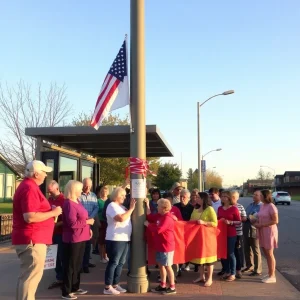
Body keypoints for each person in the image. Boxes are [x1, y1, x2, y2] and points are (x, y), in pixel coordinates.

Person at [12, 160, 62, 300]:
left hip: (31, 238)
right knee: (30, 277)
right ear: (36, 174)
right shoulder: (30, 188)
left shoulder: (28, 187)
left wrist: (48, 212)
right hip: (32, 239)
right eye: (44, 173)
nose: (46, 175)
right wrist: (53, 213)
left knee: (27, 277)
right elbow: (30, 216)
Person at [62, 180, 94, 300]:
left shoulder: (78, 201)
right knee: (70, 265)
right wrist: (87, 222)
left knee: (78, 264)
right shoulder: (69, 203)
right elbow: (72, 223)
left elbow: (84, 216)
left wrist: (88, 227)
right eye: (80, 188)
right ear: (74, 190)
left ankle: (75, 287)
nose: (82, 190)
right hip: (73, 238)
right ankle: (66, 291)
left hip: (82, 236)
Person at [103, 187, 136, 295]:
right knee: (114, 262)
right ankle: (107, 287)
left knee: (121, 263)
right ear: (116, 195)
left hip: (124, 238)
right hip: (115, 238)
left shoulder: (121, 206)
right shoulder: (111, 206)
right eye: (122, 195)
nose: (124, 197)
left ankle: (115, 284)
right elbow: (120, 218)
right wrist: (131, 209)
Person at [145, 198, 177, 295]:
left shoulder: (167, 218)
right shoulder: (160, 215)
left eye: (158, 206)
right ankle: (163, 285)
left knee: (168, 266)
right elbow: (150, 216)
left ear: (164, 208)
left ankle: (172, 287)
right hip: (160, 245)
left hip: (166, 246)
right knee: (161, 265)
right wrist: (147, 205)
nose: (157, 207)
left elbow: (159, 229)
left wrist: (148, 225)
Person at [189, 192, 218, 287]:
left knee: (209, 259)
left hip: (208, 238)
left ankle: (210, 278)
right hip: (197, 237)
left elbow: (215, 223)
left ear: (203, 199)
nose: (196, 198)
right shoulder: (195, 208)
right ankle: (201, 276)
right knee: (200, 258)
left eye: (198, 197)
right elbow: (191, 220)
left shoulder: (210, 209)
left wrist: (204, 222)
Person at [253, 189, 279, 283]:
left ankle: (273, 276)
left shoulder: (271, 206)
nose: (258, 197)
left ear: (264, 196)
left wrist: (262, 225)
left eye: (260, 195)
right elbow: (260, 217)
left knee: (270, 254)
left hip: (269, 232)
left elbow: (275, 220)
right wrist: (256, 222)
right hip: (262, 231)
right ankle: (269, 273)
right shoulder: (263, 206)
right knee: (266, 254)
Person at [218, 191, 241, 282]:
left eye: (225, 196)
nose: (223, 198)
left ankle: (233, 273)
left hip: (231, 233)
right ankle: (227, 271)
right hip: (221, 233)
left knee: (231, 253)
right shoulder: (220, 208)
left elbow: (239, 221)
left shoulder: (234, 209)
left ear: (229, 198)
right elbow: (217, 219)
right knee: (223, 253)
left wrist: (230, 222)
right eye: (222, 196)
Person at [48, 180, 66, 290]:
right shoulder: (49, 200)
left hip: (60, 232)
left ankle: (65, 278)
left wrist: (56, 225)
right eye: (48, 192)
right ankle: (59, 277)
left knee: (62, 255)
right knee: (54, 257)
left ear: (57, 189)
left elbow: (67, 219)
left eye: (51, 191)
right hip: (51, 233)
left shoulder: (63, 200)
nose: (49, 194)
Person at [79, 178, 98, 273]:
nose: (87, 187)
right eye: (86, 185)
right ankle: (81, 264)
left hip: (90, 222)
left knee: (88, 245)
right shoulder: (78, 195)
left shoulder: (93, 195)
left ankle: (86, 263)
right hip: (81, 222)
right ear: (82, 185)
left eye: (89, 186)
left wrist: (91, 217)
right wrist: (85, 218)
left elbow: (96, 207)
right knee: (81, 245)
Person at [243, 190, 263, 276]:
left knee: (255, 249)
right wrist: (248, 217)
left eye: (256, 195)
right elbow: (246, 214)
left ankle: (257, 269)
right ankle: (249, 266)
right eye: (253, 194)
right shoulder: (251, 205)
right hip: (246, 227)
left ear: (261, 196)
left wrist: (249, 217)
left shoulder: (262, 206)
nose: (254, 196)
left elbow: (257, 217)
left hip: (254, 228)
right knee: (246, 248)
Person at [174, 189, 194, 272]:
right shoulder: (175, 206)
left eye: (184, 197)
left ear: (189, 198)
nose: (182, 198)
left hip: (188, 232)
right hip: (177, 232)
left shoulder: (192, 208)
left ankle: (187, 264)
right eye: (181, 196)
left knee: (187, 248)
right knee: (178, 249)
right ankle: (178, 265)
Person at [231, 190, 247, 279]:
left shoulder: (240, 207)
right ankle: (229, 269)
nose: (233, 199)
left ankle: (238, 270)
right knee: (230, 252)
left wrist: (236, 219)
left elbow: (244, 218)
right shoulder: (226, 206)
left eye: (235, 197)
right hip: (227, 232)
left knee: (238, 252)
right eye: (232, 197)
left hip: (238, 232)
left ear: (237, 198)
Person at [95, 185, 109, 264]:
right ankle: (101, 257)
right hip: (101, 222)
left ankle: (106, 255)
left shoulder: (109, 201)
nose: (104, 193)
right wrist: (98, 222)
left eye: (106, 191)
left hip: (108, 222)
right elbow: (96, 212)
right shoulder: (98, 201)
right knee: (101, 241)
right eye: (103, 191)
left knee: (107, 240)